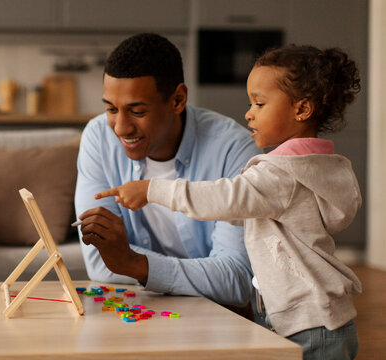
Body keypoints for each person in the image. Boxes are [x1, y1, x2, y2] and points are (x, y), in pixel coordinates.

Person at [96, 45, 362, 359]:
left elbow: (225, 197)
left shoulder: (280, 176)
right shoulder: (315, 167)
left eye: (260, 103)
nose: (249, 113)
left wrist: (152, 190)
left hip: (310, 324)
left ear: (301, 110)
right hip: (310, 316)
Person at [75, 33, 262, 310]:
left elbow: (235, 281)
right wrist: (199, 274)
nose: (120, 128)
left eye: (137, 111)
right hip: (142, 310)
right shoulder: (98, 137)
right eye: (111, 109)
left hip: (218, 318)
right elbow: (99, 262)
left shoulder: (235, 151)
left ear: (177, 100)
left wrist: (134, 264)